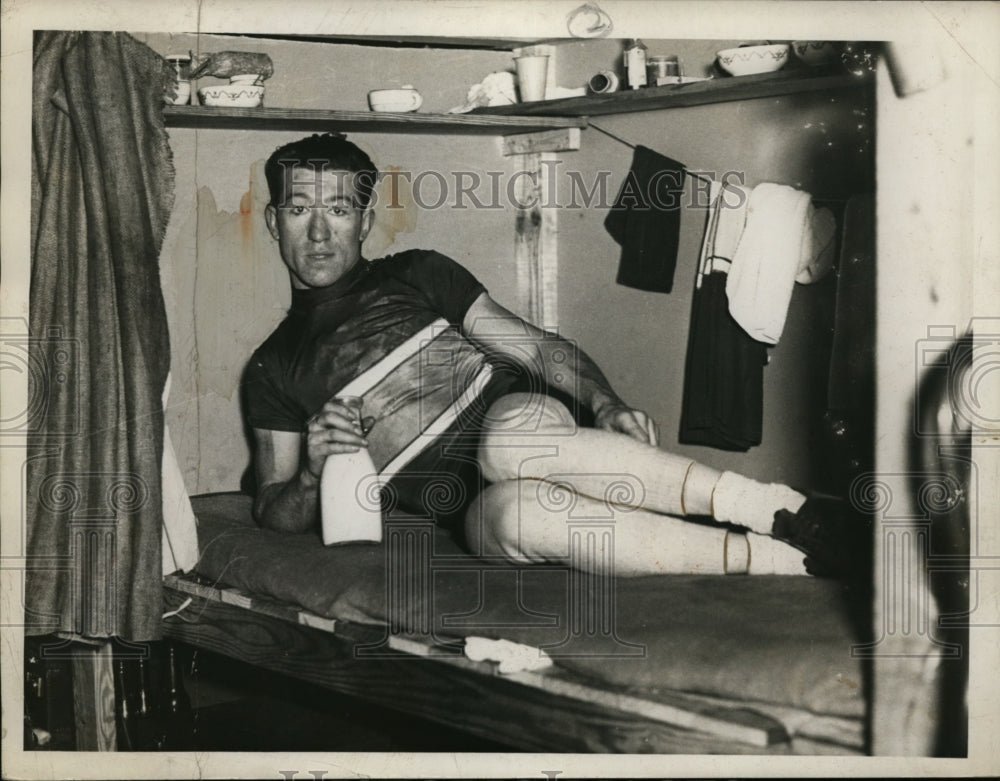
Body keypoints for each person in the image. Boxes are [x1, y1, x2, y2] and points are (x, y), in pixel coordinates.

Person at [244, 133, 854, 579]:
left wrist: (605, 401)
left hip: (518, 425)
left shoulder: (417, 273)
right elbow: (274, 510)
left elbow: (539, 349)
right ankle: (786, 560)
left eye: (339, 210)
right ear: (274, 222)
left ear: (365, 219)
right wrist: (309, 473)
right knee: (516, 521)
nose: (319, 233)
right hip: (464, 510)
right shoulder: (274, 367)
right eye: (299, 210)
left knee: (504, 445)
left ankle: (771, 506)